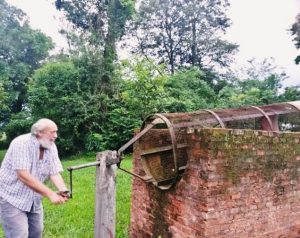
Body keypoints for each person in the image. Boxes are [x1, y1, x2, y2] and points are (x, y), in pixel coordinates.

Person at [0, 118, 69, 238]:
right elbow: (23, 176)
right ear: (39, 132)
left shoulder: (51, 146)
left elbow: (54, 172)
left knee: (36, 233)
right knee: (19, 234)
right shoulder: (21, 143)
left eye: (56, 132)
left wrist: (63, 190)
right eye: (52, 132)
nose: (56, 135)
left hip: (33, 198)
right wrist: (51, 194)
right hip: (11, 197)